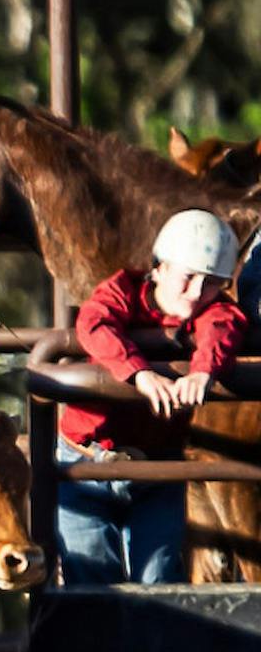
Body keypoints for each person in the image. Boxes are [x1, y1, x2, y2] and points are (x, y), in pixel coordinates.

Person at [58, 210, 245, 586]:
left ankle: (153, 645)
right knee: (90, 580)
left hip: (159, 469)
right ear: (158, 268)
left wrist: (203, 370)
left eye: (211, 283)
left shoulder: (214, 311)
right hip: (86, 462)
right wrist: (138, 373)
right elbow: (95, 321)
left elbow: (225, 323)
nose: (196, 294)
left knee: (159, 580)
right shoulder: (121, 290)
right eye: (188, 277)